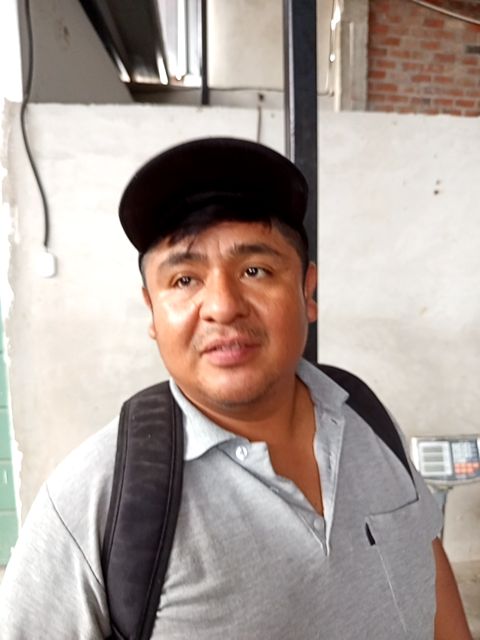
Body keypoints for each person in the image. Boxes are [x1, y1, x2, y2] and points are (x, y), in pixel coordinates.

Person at [0, 138, 472, 639]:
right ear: (152, 312)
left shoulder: (366, 419)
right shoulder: (92, 503)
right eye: (184, 280)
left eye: (254, 271)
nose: (223, 306)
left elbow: (429, 568)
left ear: (308, 291)